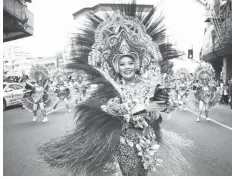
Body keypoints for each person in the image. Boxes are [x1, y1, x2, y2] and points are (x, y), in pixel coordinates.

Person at [37, 3, 192, 176]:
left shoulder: (149, 84)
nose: (127, 67)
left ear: (137, 63)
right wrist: (145, 108)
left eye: (130, 63)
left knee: (143, 173)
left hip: (148, 141)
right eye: (122, 63)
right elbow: (115, 109)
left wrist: (163, 106)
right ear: (116, 67)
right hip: (125, 142)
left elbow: (161, 112)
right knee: (130, 174)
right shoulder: (112, 88)